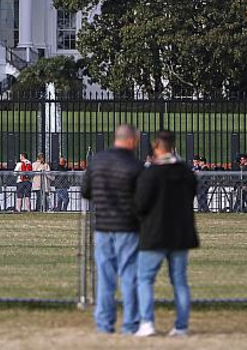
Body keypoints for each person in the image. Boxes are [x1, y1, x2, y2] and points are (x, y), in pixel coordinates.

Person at [134, 130, 199, 338]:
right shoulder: (186, 172)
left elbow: (140, 204)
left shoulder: (151, 173)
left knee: (144, 279)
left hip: (155, 232)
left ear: (156, 145)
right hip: (180, 232)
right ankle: (181, 326)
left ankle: (147, 323)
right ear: (172, 145)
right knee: (179, 280)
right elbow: (192, 194)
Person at [80, 124, 144, 335]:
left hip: (103, 225)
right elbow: (143, 199)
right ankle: (130, 324)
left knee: (105, 277)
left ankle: (104, 324)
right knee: (129, 275)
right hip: (128, 226)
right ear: (131, 140)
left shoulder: (97, 161)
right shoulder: (135, 165)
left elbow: (86, 191)